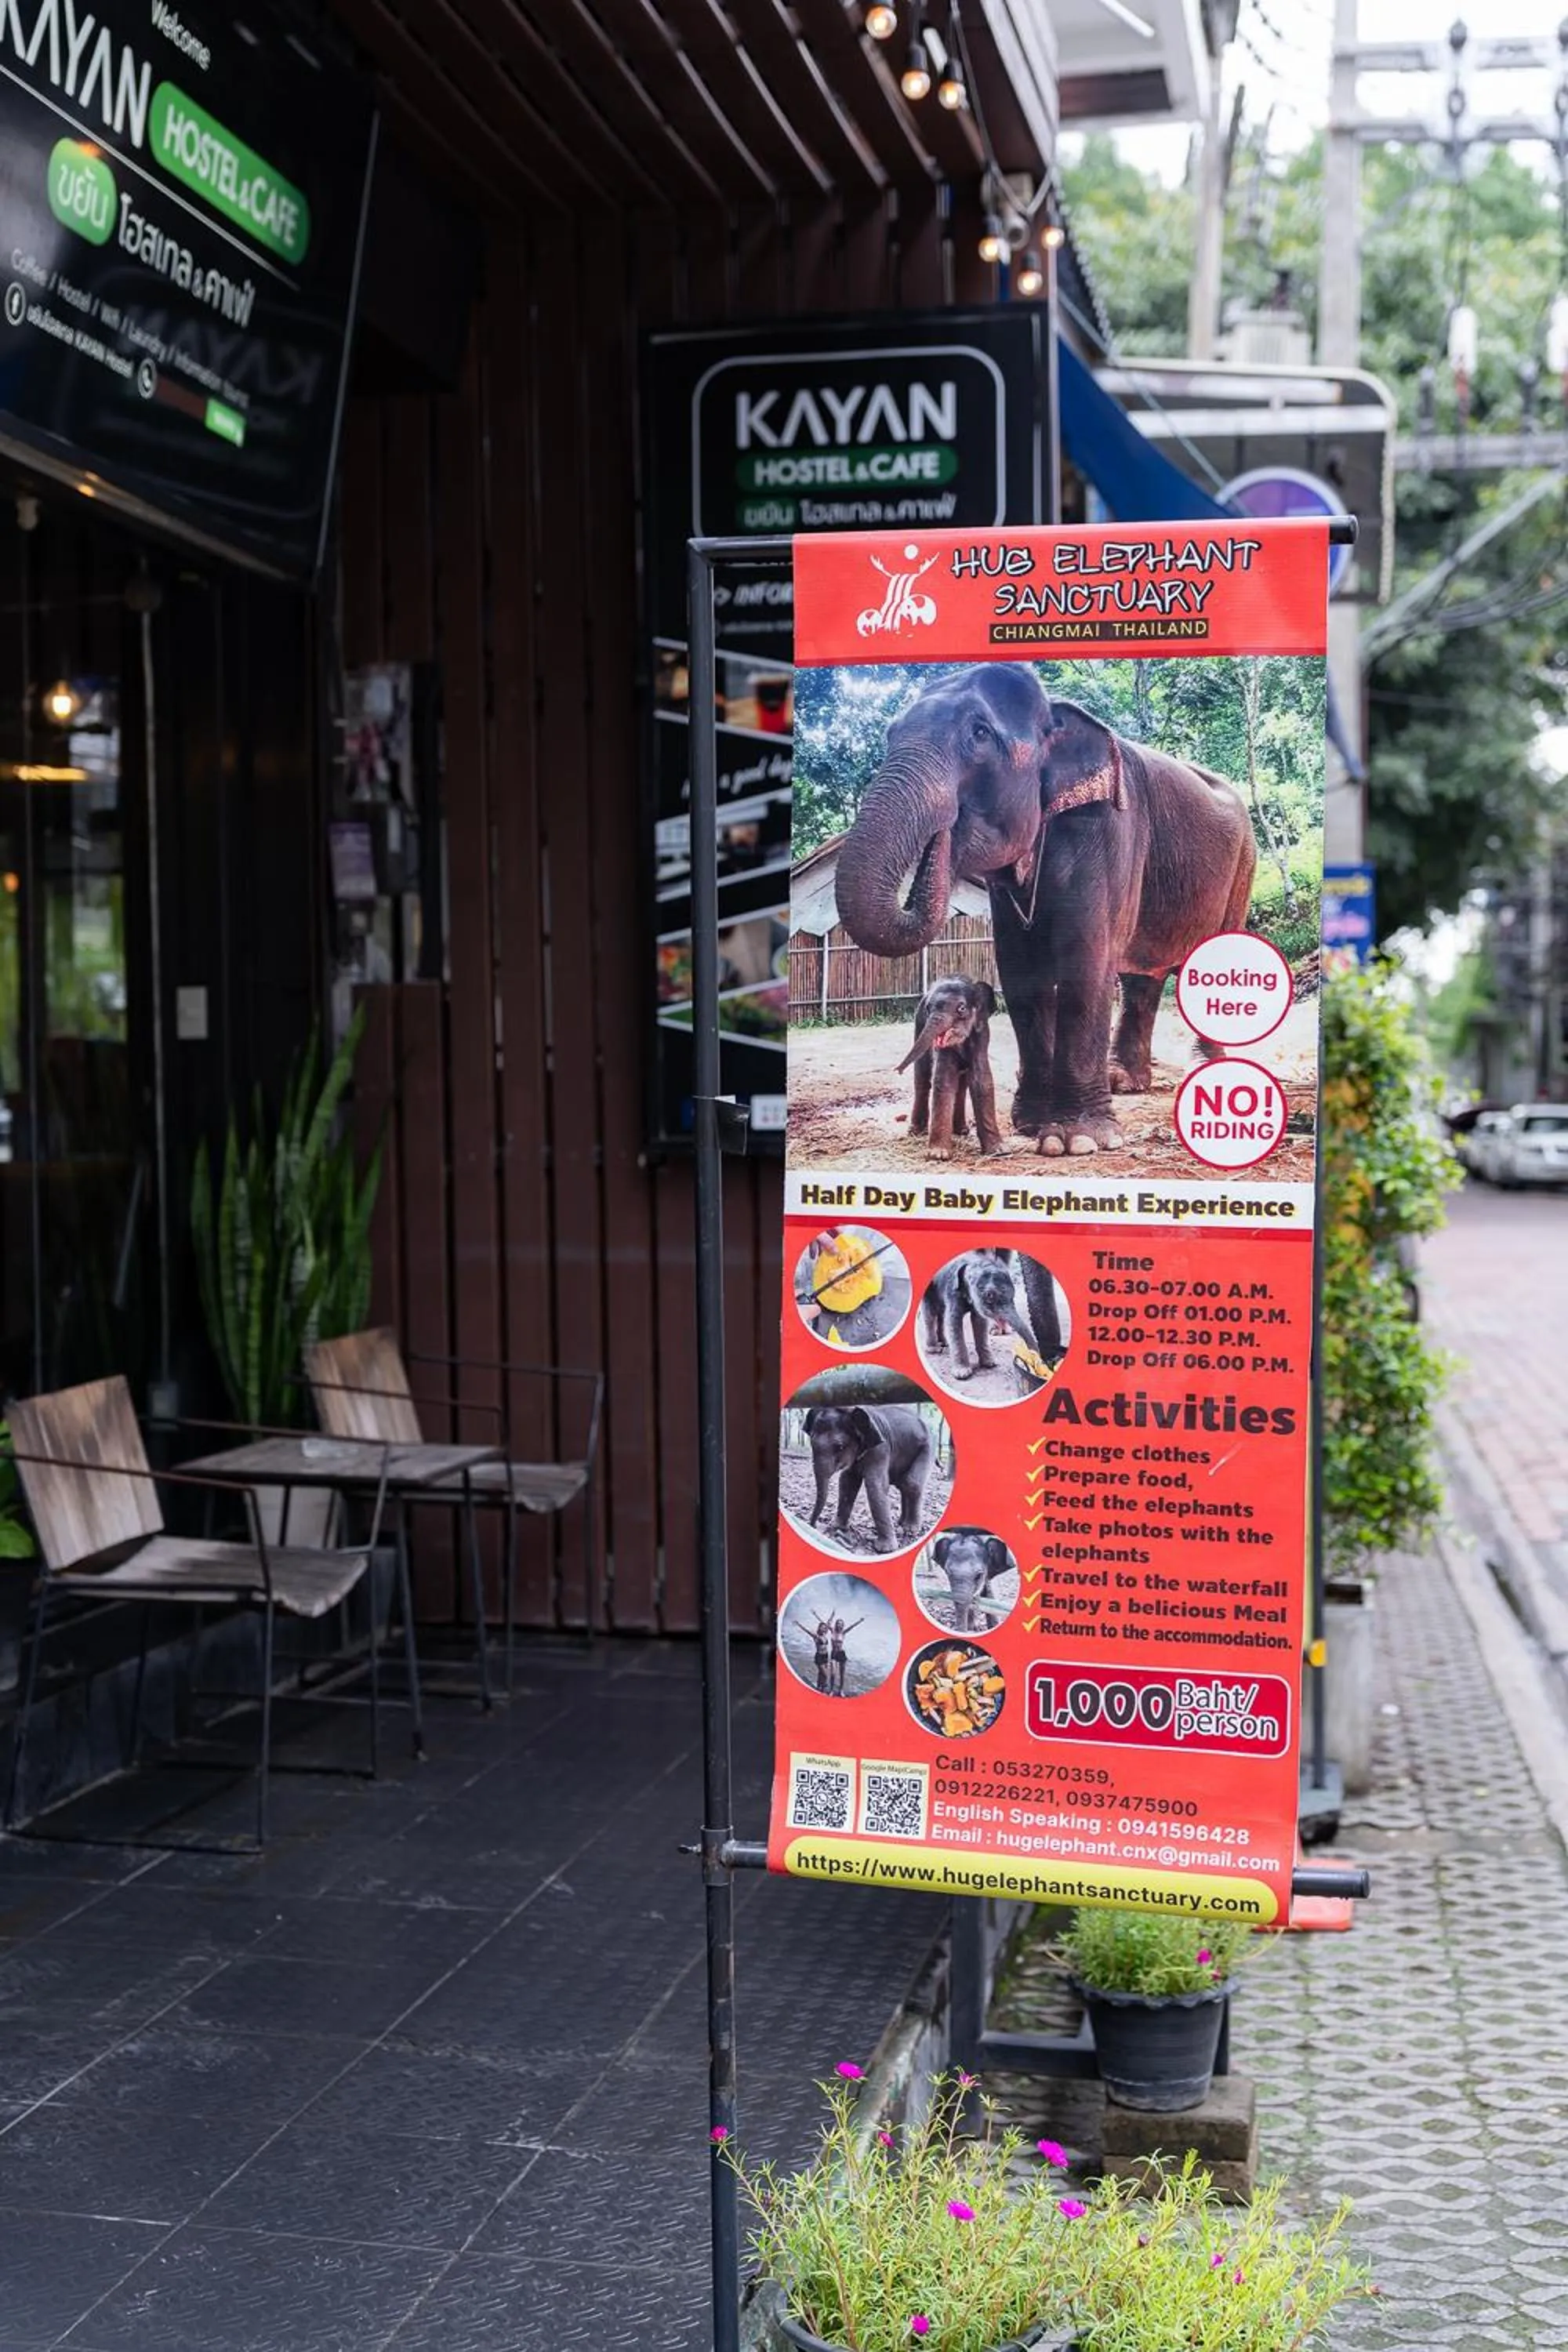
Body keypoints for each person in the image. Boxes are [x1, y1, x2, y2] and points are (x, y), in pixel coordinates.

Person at [829, 1615, 865, 1696]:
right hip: (833, 1654)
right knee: (833, 1674)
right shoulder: (832, 1631)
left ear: (842, 1625)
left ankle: (841, 1690)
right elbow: (827, 1623)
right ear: (836, 1624)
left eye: (841, 1624)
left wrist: (860, 1621)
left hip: (841, 1654)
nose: (839, 1625)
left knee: (842, 1674)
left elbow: (852, 1627)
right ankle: (831, 1690)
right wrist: (832, 1615)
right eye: (838, 1623)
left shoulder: (843, 1632)